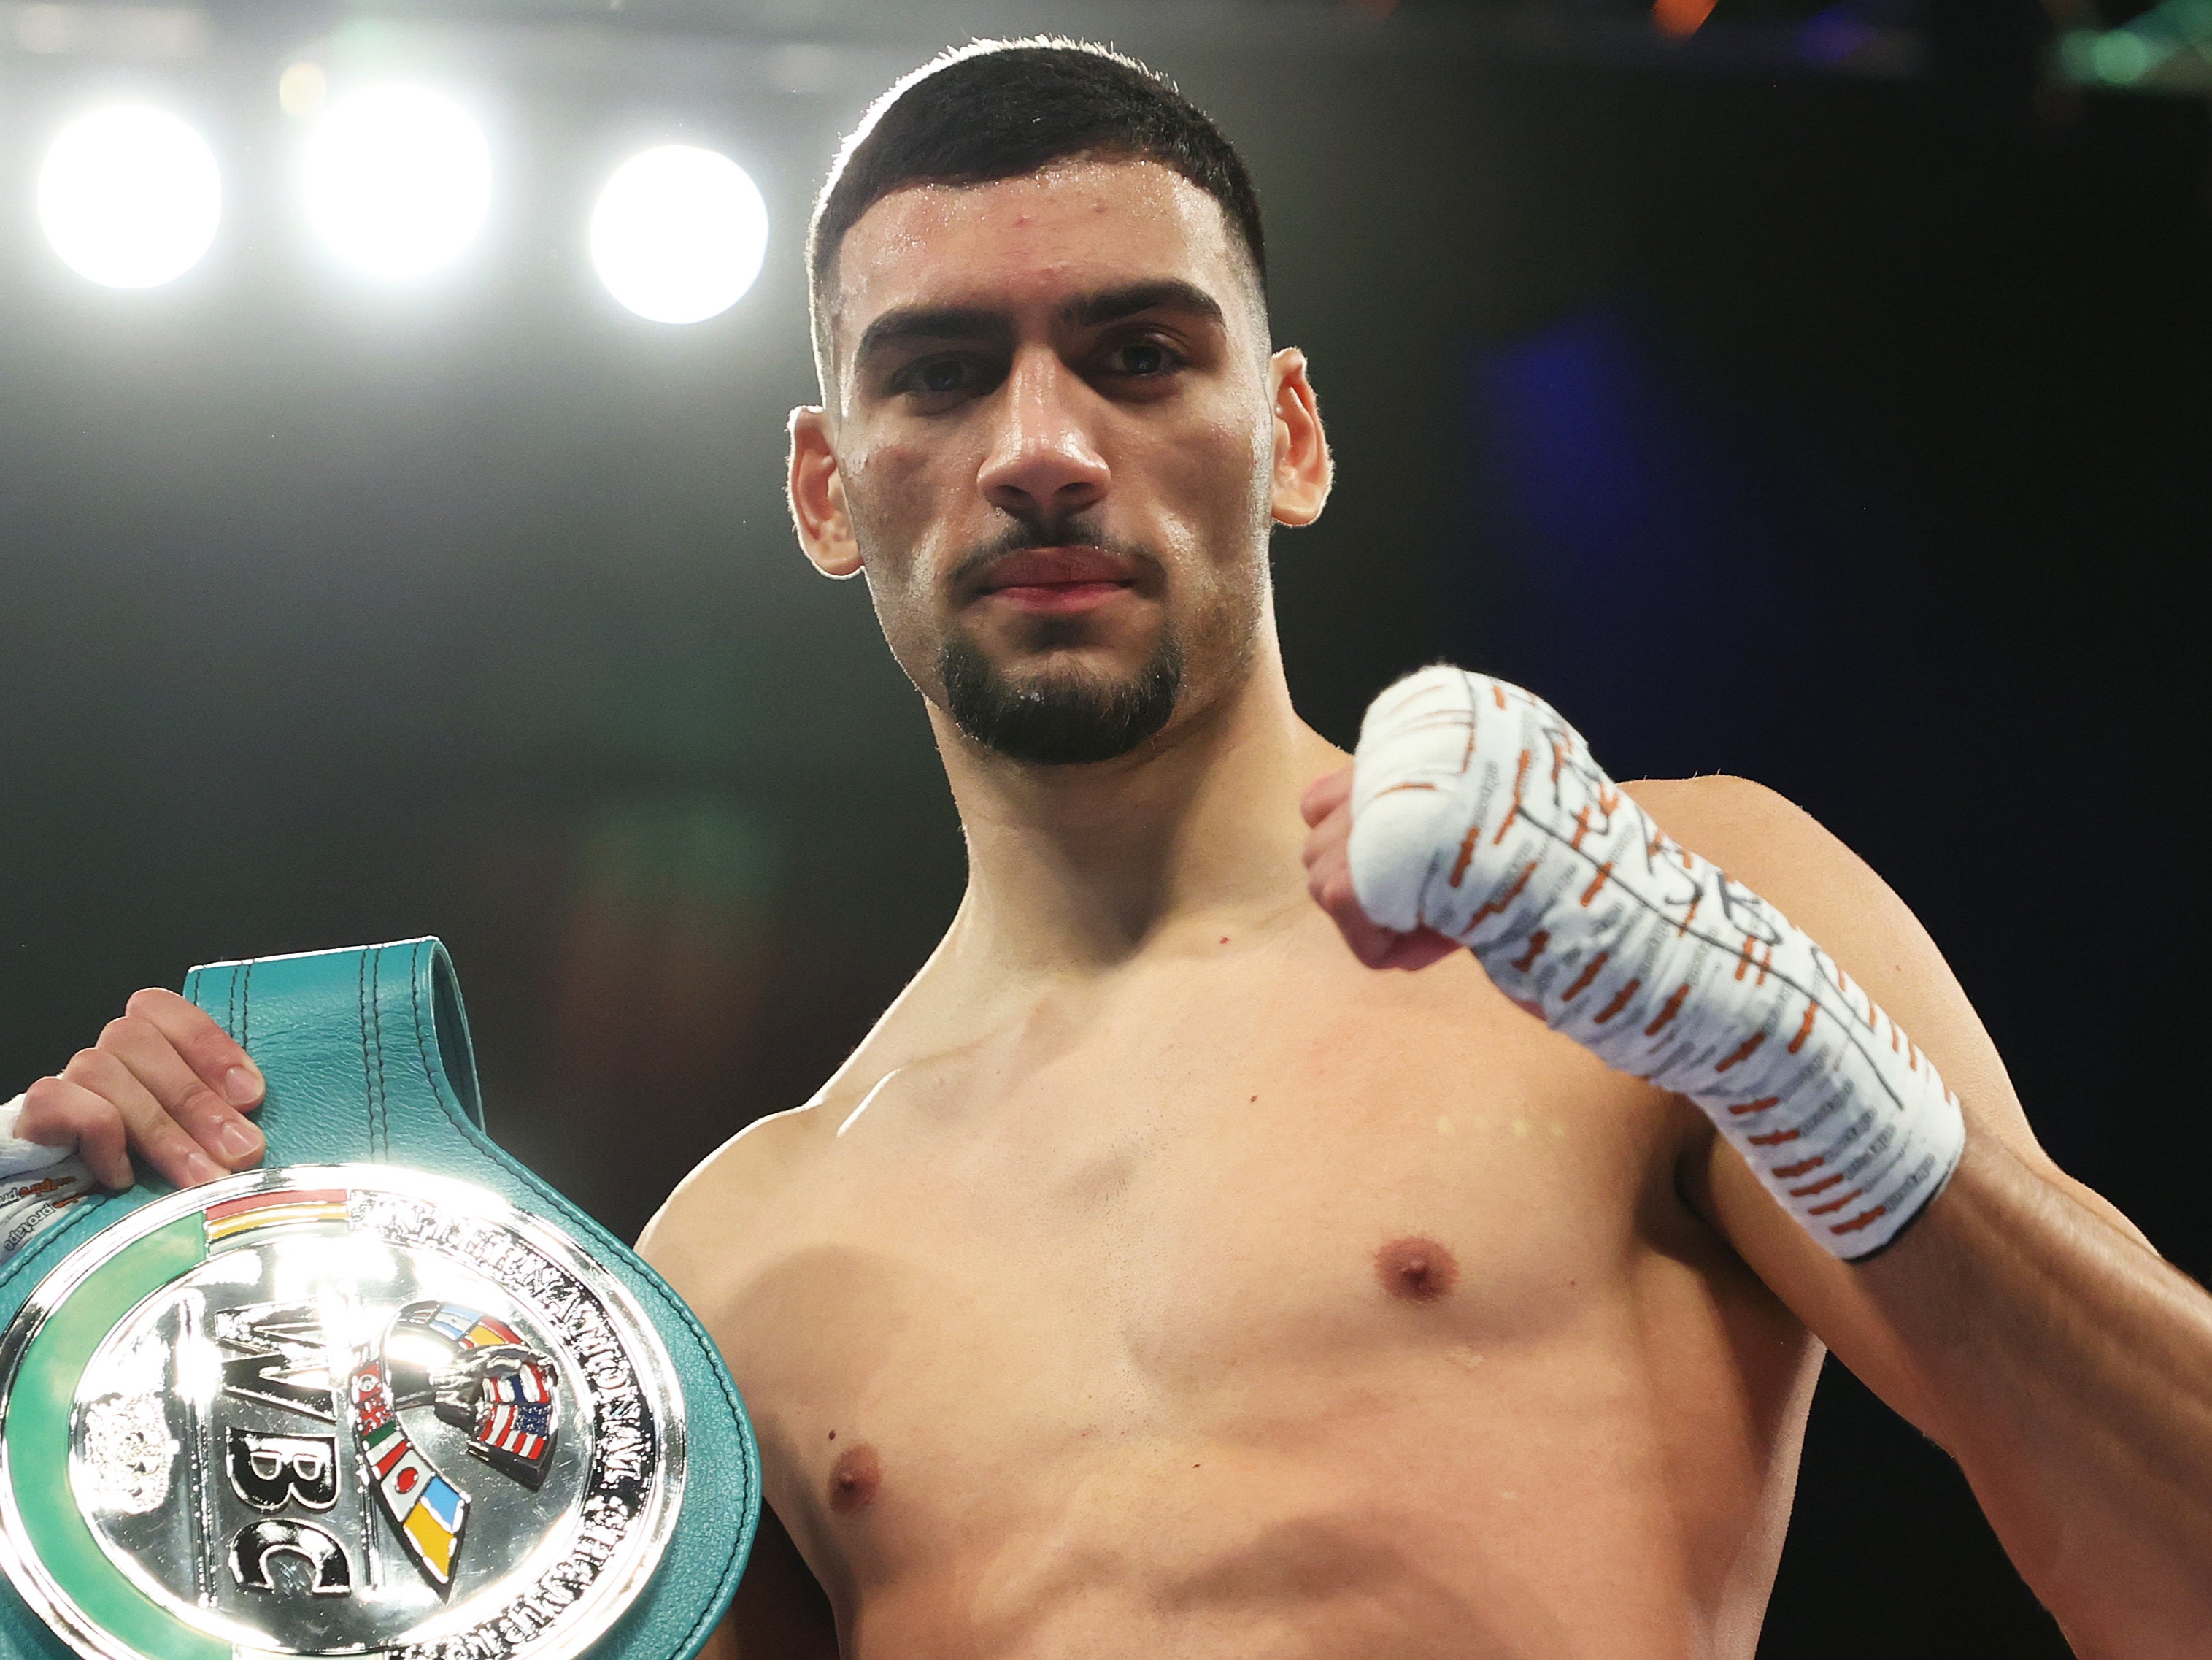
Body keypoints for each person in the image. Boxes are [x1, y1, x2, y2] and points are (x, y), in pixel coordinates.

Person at [8, 39, 2211, 1660]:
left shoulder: (1677, 915)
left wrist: (1816, 1085)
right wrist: (128, 1359)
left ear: (1292, 435)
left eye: (1141, 353)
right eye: (943, 372)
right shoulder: (738, 1250)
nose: (1043, 447)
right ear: (822, 485)